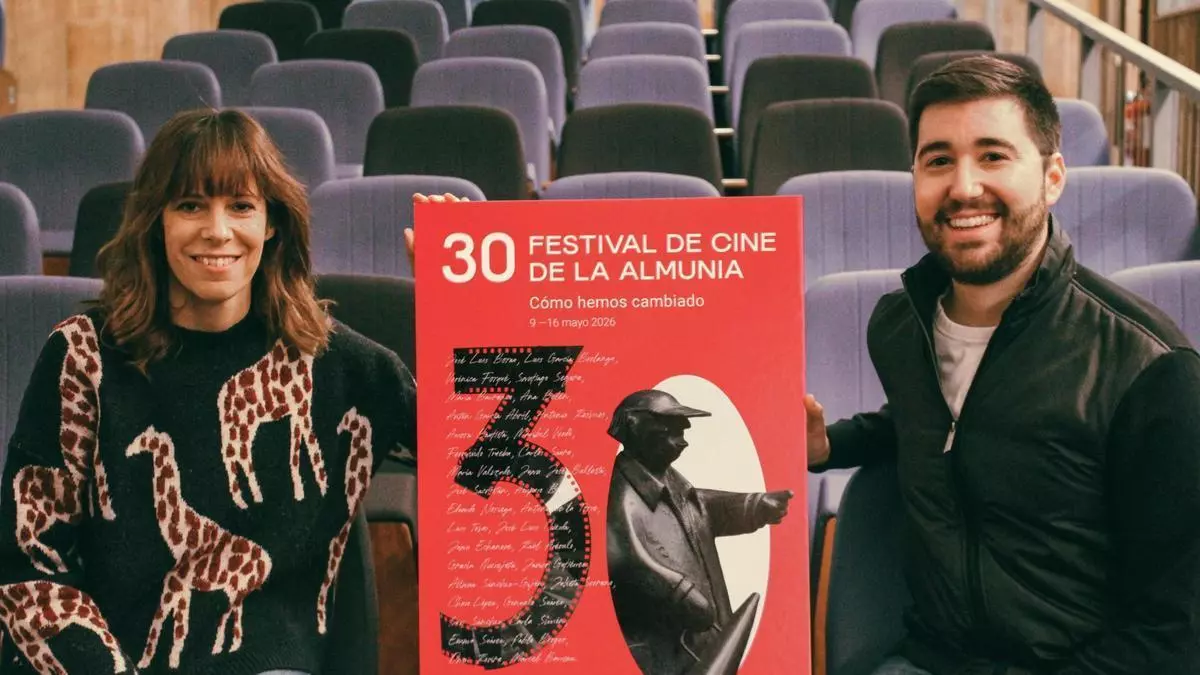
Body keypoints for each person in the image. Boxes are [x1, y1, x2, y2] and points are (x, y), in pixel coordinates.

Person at [805, 55, 1200, 674]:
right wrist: (832, 444)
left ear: (1052, 177)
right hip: (929, 658)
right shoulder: (899, 325)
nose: (964, 187)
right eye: (938, 160)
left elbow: (1176, 630)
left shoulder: (1151, 369)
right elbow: (941, 422)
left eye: (993, 156)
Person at [0, 109, 417, 675]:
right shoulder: (83, 357)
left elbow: (485, 455)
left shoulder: (335, 362)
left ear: (272, 223)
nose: (218, 231)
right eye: (191, 205)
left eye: (240, 206)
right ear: (156, 220)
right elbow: (28, 565)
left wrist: (462, 304)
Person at [605, 389, 792, 675]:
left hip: (705, 639)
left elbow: (702, 506)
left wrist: (754, 505)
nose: (683, 442)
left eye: (682, 432)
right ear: (637, 427)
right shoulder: (620, 496)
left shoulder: (673, 485)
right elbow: (626, 559)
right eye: (671, 431)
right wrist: (682, 595)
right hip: (666, 653)